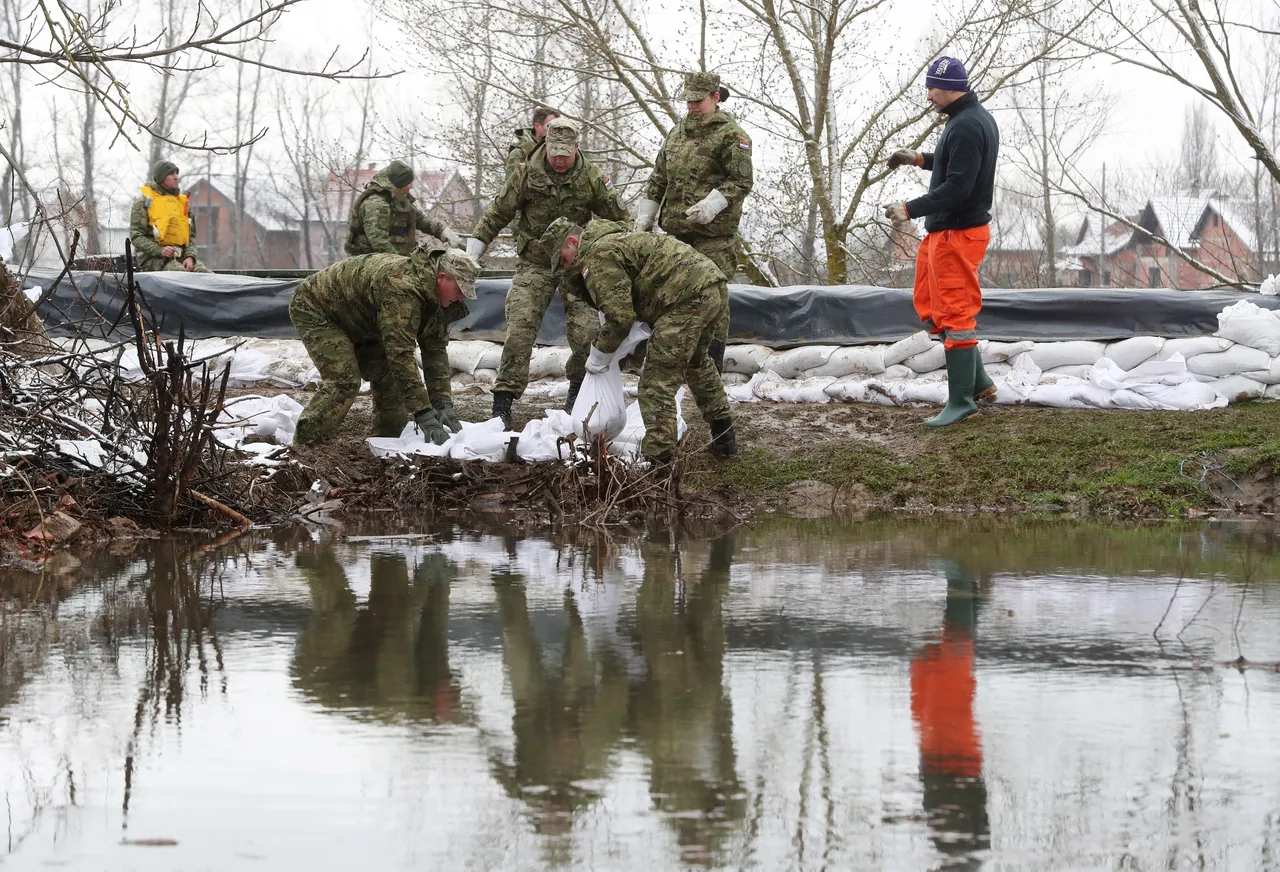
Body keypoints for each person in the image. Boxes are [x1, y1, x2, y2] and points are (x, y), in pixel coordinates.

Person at [467, 117, 629, 428]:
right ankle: (503, 401)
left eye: (565, 154)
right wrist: (475, 250)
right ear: (545, 145)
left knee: (585, 332)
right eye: (554, 152)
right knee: (520, 327)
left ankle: (577, 394)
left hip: (576, 264)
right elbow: (498, 213)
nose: (558, 159)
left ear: (577, 148)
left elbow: (621, 220)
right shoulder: (526, 172)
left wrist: (600, 246)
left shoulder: (592, 178)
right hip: (536, 263)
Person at [540, 216, 737, 471]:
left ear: (571, 241)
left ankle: (660, 463)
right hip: (711, 287)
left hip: (684, 298)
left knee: (657, 383)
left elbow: (620, 317)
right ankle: (724, 438)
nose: (565, 268)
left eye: (563, 260)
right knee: (697, 364)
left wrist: (599, 355)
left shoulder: (598, 256)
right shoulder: (611, 242)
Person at [884, 56, 1000, 427]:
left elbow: (958, 186)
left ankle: (961, 400)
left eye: (931, 89)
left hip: (957, 232)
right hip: (944, 232)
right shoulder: (965, 120)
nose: (929, 97)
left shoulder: (967, 125)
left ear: (948, 87)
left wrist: (910, 208)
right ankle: (979, 382)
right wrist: (918, 158)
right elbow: (955, 164)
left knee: (955, 312)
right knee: (930, 304)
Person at [288, 244, 478, 446]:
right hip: (318, 309)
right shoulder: (401, 288)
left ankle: (386, 444)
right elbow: (400, 354)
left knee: (391, 379)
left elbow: (435, 349)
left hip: (364, 319)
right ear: (441, 277)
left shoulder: (439, 299)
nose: (462, 297)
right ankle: (305, 447)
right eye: (459, 289)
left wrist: (442, 401)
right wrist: (423, 412)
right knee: (344, 381)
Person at [636, 71, 753, 372]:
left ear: (715, 97)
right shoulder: (677, 132)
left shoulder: (732, 135)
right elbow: (659, 176)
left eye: (697, 100)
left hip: (713, 236)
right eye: (687, 101)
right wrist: (646, 213)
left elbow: (740, 182)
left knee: (713, 299)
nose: (691, 106)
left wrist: (712, 206)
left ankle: (711, 363)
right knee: (671, 295)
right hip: (676, 232)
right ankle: (673, 358)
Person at [344, 160, 464, 256]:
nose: (410, 187)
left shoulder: (398, 198)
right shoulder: (376, 204)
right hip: (371, 266)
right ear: (397, 185)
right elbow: (380, 244)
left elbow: (420, 220)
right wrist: (403, 266)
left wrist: (442, 231)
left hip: (395, 262)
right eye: (407, 184)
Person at [129, 160, 210, 273]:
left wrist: (190, 256)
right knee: (179, 275)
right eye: (171, 174)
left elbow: (190, 236)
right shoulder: (144, 203)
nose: (176, 177)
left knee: (208, 277)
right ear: (161, 177)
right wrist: (159, 250)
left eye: (176, 173)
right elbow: (136, 236)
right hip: (153, 259)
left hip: (181, 256)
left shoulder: (183, 204)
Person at [504, 106, 560, 179]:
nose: (557, 131)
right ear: (537, 126)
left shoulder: (561, 152)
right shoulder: (520, 154)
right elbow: (512, 187)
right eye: (551, 126)